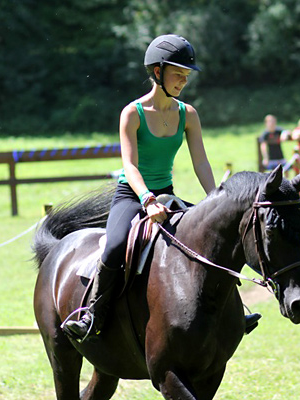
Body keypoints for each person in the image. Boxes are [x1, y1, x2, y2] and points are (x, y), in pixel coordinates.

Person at [63, 34, 261, 340]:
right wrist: (147, 199)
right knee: (115, 245)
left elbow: (201, 164)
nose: (183, 81)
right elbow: (129, 166)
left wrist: (215, 201)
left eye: (186, 76)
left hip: (167, 194)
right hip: (132, 195)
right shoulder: (132, 113)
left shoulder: (188, 115)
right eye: (177, 74)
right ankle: (93, 315)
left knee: (212, 238)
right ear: (157, 72)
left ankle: (236, 309)